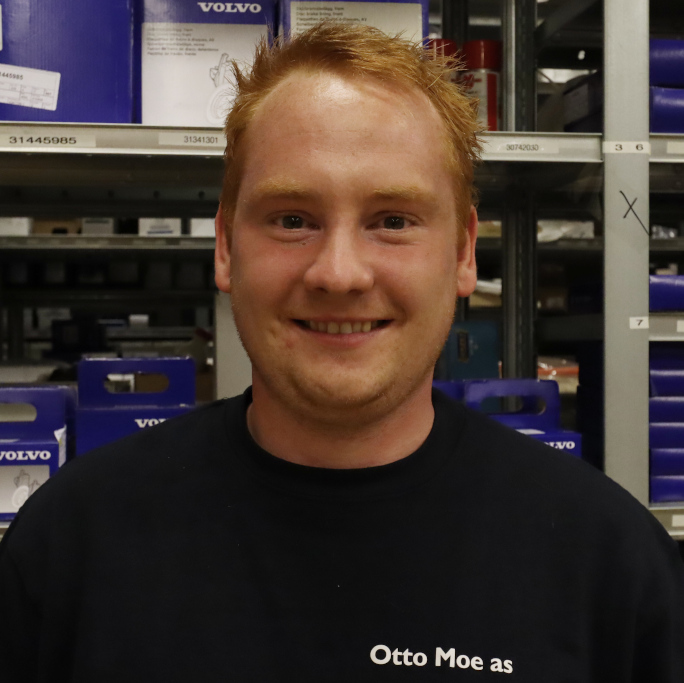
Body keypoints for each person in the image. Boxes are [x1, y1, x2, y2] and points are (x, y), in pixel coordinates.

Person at [1, 22, 683, 682]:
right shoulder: (68, 546)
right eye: (292, 219)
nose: (339, 274)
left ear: (463, 252)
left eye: (393, 220)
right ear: (226, 246)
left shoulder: (611, 566)